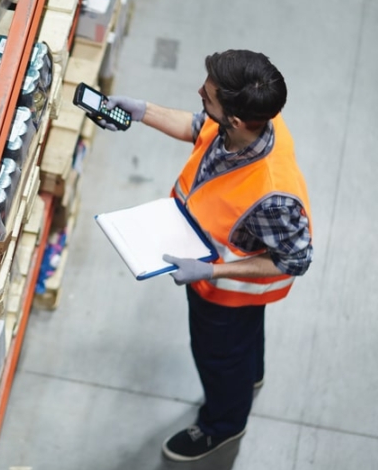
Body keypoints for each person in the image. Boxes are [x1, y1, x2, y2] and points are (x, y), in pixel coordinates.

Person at [93, 49, 313, 461]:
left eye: (207, 95)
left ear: (234, 118)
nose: (199, 94)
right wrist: (143, 111)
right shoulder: (253, 120)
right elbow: (200, 128)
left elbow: (295, 260)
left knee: (219, 357)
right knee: (244, 345)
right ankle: (250, 376)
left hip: (226, 294)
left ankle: (224, 424)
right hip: (226, 288)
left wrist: (211, 272)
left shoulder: (273, 196)